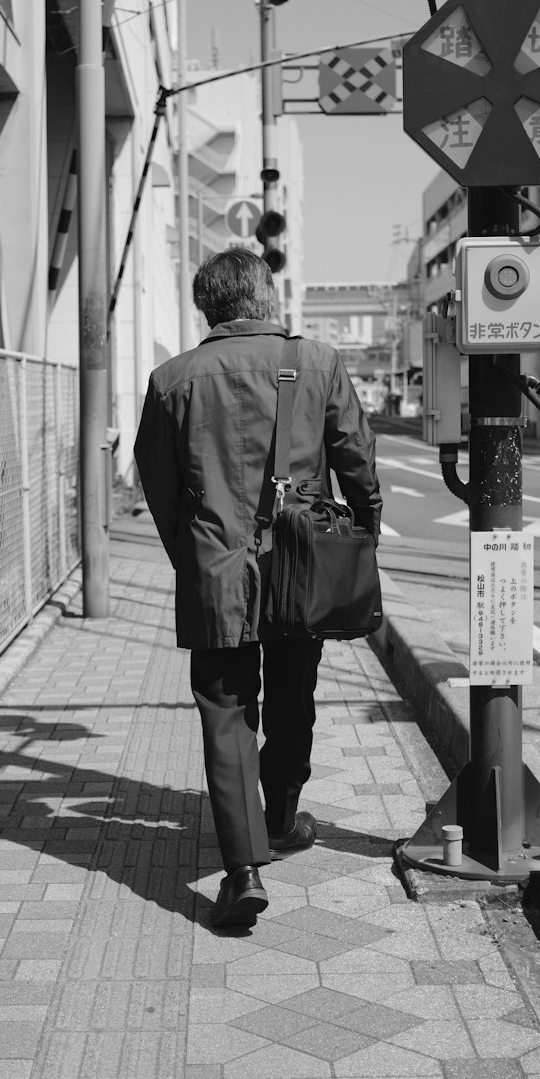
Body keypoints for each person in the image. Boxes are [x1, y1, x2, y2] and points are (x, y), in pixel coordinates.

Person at [134, 248, 382, 927]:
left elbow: (156, 485)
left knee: (226, 710)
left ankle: (243, 869)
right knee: (295, 690)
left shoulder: (171, 379)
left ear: (206, 308)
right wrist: (364, 535)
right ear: (267, 298)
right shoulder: (319, 363)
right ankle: (281, 816)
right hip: (303, 566)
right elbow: (358, 462)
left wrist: (193, 555)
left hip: (217, 569)